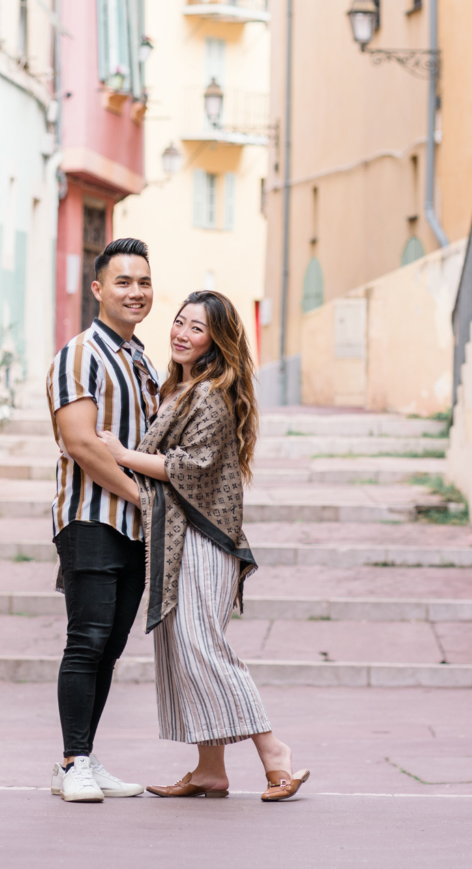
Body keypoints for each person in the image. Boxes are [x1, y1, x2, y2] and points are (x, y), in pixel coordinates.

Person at [98, 290, 309, 803]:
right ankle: (210, 769)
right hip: (179, 534)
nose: (181, 333)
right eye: (178, 322)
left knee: (201, 646)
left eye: (196, 328)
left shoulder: (211, 393)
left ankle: (273, 751)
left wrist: (122, 454)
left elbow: (189, 468)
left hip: (203, 537)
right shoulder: (181, 387)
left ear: (216, 339)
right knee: (182, 649)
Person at [46, 237, 159, 804]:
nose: (135, 292)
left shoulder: (140, 356)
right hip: (92, 522)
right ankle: (72, 763)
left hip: (136, 529)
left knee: (110, 647)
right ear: (98, 289)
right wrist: (144, 498)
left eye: (143, 282)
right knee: (86, 642)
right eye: (123, 282)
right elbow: (82, 445)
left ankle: (84, 755)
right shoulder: (80, 353)